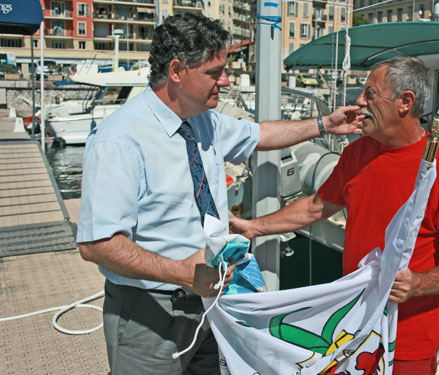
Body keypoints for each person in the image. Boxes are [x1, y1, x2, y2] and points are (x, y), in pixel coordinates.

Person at [76, 12, 362, 375]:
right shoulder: (119, 140)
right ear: (176, 71)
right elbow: (96, 244)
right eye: (214, 72)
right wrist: (181, 273)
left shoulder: (202, 120)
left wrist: (324, 124)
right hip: (149, 311)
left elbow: (261, 135)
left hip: (212, 303)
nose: (225, 81)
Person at [229, 56, 439, 375]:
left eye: (370, 93)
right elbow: (317, 206)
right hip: (352, 332)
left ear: (405, 102)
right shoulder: (357, 152)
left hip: (406, 345)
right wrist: (252, 227)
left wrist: (418, 284)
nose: (359, 101)